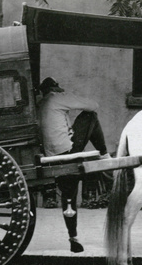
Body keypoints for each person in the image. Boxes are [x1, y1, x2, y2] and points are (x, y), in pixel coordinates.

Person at [37, 77, 111, 253]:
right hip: (67, 152)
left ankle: (73, 237)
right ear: (54, 89)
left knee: (68, 196)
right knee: (90, 116)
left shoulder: (41, 104)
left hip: (52, 155)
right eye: (58, 88)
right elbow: (93, 105)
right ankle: (104, 154)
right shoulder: (57, 98)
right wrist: (69, 96)